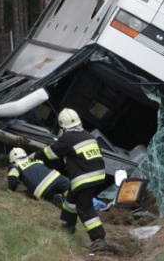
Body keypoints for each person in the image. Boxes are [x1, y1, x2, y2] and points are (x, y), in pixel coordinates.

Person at [33, 108, 108, 252]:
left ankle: (99, 240)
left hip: (84, 177)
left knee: (84, 207)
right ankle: (68, 226)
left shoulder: (67, 139)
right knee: (70, 199)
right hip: (97, 174)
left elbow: (50, 154)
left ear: (63, 126)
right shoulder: (88, 135)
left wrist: (34, 157)